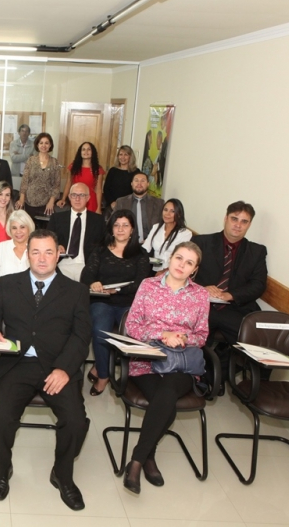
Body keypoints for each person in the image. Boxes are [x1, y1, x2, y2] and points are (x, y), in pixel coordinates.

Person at [0, 229, 90, 511]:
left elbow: (81, 337)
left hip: (57, 366)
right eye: (36, 252)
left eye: (48, 252)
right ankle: (2, 469)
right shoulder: (9, 283)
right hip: (17, 364)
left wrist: (64, 369)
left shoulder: (76, 291)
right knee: (1, 418)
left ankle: (62, 474)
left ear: (58, 255)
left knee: (76, 421)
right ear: (27, 255)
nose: (42, 258)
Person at [122, 241, 209, 494]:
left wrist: (182, 338)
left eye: (189, 262)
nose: (182, 265)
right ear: (170, 258)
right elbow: (132, 326)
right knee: (166, 405)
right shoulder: (148, 285)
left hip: (181, 364)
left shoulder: (200, 295)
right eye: (179, 258)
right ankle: (148, 457)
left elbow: (202, 335)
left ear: (194, 270)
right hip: (147, 361)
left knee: (167, 392)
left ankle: (136, 461)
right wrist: (163, 335)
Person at [191, 201, 267, 384]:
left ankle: (212, 377)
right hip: (203, 307)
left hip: (235, 309)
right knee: (190, 340)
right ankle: (191, 376)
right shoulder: (201, 243)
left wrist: (230, 295)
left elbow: (258, 285)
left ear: (249, 225)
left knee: (259, 346)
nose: (238, 225)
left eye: (244, 221)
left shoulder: (256, 251)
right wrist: (203, 288)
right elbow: (185, 275)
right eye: (234, 219)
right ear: (225, 218)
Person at [80, 209, 150, 396]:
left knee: (133, 333)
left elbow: (141, 283)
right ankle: (104, 375)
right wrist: (93, 283)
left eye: (125, 225)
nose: (120, 229)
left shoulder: (141, 254)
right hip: (102, 301)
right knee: (100, 331)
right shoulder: (100, 250)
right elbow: (87, 274)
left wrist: (117, 290)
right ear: (111, 228)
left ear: (132, 229)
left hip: (128, 303)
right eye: (116, 225)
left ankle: (114, 369)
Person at [48, 183, 105, 281]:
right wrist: (56, 246)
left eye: (82, 195)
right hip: (62, 264)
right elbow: (47, 240)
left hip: (85, 265)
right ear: (69, 197)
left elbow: (104, 244)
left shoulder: (98, 220)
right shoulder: (57, 218)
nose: (77, 199)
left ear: (88, 198)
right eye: (74, 195)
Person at [0, 210, 34, 287]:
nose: (18, 231)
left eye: (22, 227)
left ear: (29, 228)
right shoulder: (1, 247)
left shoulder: (37, 248)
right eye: (14, 228)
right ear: (10, 230)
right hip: (5, 292)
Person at [16, 133, 60, 220]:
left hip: (47, 204)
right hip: (30, 202)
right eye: (41, 143)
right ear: (37, 145)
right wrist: (21, 199)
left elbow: (57, 185)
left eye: (46, 143)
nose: (44, 145)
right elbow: (24, 181)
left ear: (50, 145)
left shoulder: (54, 162)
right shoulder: (31, 160)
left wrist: (51, 201)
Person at [142, 198, 192, 273]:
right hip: (155, 268)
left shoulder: (185, 233)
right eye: (165, 210)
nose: (167, 214)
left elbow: (182, 259)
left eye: (172, 211)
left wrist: (164, 271)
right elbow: (145, 249)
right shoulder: (156, 227)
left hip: (174, 271)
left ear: (179, 214)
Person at [114, 171, 164, 244]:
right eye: (136, 180)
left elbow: (164, 226)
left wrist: (150, 240)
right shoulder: (121, 202)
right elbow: (112, 223)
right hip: (126, 243)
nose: (139, 184)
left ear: (148, 184)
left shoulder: (159, 203)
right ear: (131, 183)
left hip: (151, 243)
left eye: (142, 181)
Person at [59, 142, 105, 213]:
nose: (86, 152)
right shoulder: (73, 166)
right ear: (80, 152)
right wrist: (63, 199)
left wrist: (99, 208)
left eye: (89, 149)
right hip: (75, 199)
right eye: (83, 149)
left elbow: (98, 189)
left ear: (93, 152)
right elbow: (68, 183)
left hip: (90, 201)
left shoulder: (98, 169)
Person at [103, 145, 138, 211]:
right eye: (120, 154)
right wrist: (112, 202)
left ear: (130, 157)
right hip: (113, 206)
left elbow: (137, 190)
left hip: (130, 206)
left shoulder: (136, 172)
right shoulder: (113, 171)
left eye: (126, 155)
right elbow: (106, 189)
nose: (123, 157)